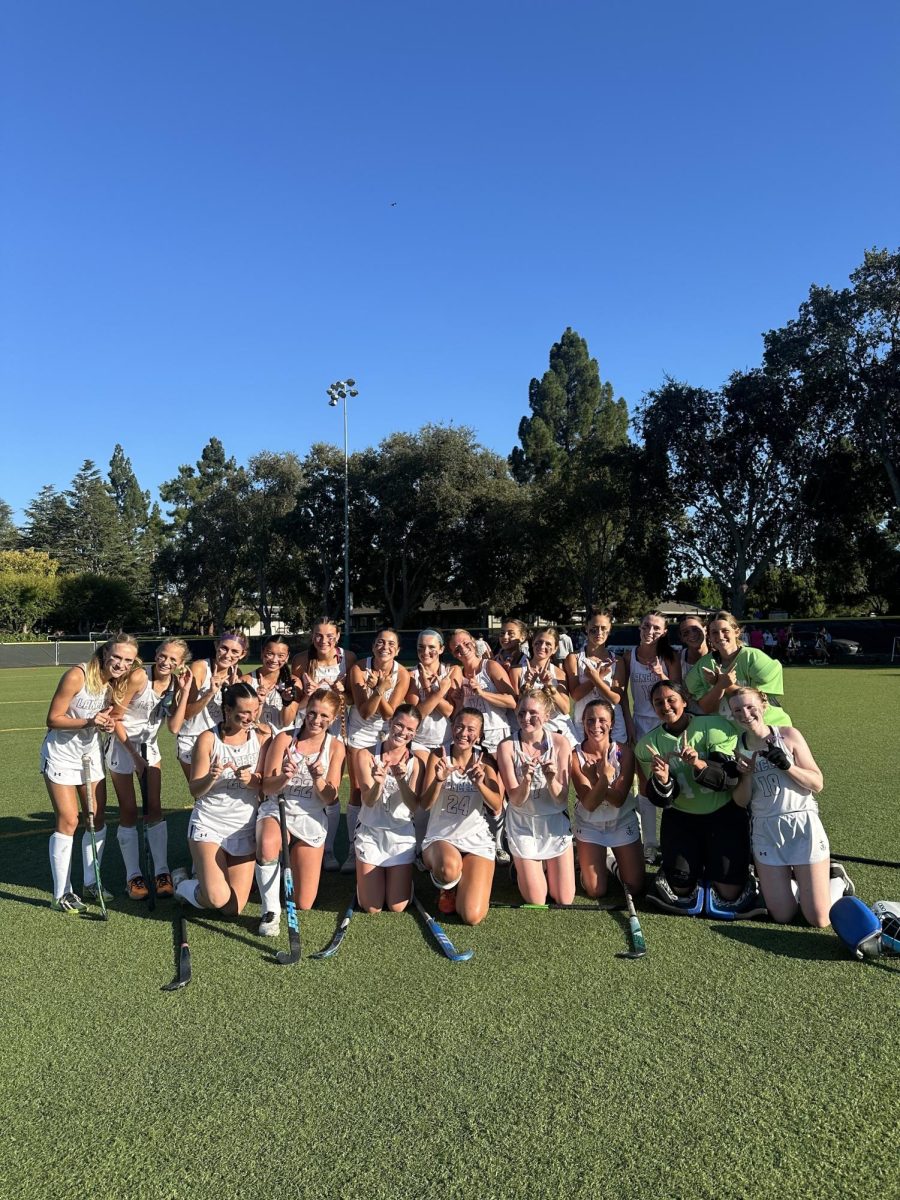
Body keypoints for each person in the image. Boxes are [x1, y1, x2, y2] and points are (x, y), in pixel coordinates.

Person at [635, 681, 760, 917]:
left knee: (729, 893)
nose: (666, 706)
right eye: (658, 702)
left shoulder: (714, 727)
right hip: (682, 817)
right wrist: (661, 780)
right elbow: (661, 800)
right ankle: (685, 864)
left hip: (723, 813)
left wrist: (698, 764)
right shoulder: (647, 745)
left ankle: (723, 864)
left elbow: (730, 780)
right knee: (680, 888)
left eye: (671, 699)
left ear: (685, 701)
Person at [729, 688, 853, 925]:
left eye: (750, 707)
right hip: (766, 829)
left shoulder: (788, 736)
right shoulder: (738, 748)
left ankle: (836, 881)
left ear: (763, 706)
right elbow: (740, 801)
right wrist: (745, 776)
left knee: (819, 919)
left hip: (802, 824)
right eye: (737, 710)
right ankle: (800, 886)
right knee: (783, 916)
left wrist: (787, 766)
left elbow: (817, 783)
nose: (745, 714)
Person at [40, 635, 139, 911]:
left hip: (91, 755)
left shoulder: (116, 684)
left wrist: (105, 725)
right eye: (117, 657)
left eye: (128, 660)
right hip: (61, 755)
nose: (121, 664)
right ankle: (61, 894)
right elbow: (53, 719)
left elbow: (108, 719)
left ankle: (90, 883)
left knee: (95, 819)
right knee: (69, 820)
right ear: (105, 652)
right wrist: (89, 721)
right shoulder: (77, 675)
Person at [174, 682, 270, 916]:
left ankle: (204, 879)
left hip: (244, 825)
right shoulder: (208, 739)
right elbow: (195, 790)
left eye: (254, 710)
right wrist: (211, 776)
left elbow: (266, 784)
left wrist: (252, 780)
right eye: (244, 712)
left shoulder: (262, 735)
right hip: (210, 822)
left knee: (232, 909)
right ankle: (183, 886)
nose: (250, 717)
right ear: (227, 710)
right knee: (217, 899)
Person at [107, 638, 192, 900]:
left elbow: (174, 727)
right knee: (129, 810)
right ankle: (133, 876)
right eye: (164, 656)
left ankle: (161, 872)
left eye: (173, 660)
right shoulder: (138, 677)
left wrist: (185, 691)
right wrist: (134, 756)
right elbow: (115, 718)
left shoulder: (175, 684)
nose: (167, 662)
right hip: (123, 746)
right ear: (156, 653)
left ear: (181, 664)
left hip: (149, 748)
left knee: (154, 808)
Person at [255, 689, 345, 934]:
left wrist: (318, 779)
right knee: (268, 842)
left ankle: (280, 868)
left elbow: (330, 797)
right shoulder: (285, 739)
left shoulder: (336, 747)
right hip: (279, 808)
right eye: (312, 713)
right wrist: (284, 775)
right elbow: (267, 786)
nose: (316, 720)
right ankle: (270, 910)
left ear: (334, 718)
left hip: (311, 817)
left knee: (304, 902)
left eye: (324, 716)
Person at [420, 708, 502, 923]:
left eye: (471, 729)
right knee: (448, 869)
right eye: (459, 726)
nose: (463, 733)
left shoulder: (485, 761)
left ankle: (462, 884)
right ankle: (447, 886)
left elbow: (496, 805)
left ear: (480, 734)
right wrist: (439, 780)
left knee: (471, 916)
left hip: (476, 839)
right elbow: (425, 804)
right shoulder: (439, 755)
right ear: (452, 727)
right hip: (441, 837)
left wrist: (480, 784)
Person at [496, 689, 575, 907]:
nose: (526, 718)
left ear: (547, 716)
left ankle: (543, 865)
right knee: (537, 900)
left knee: (564, 899)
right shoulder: (506, 747)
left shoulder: (560, 743)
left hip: (553, 821)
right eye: (521, 713)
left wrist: (551, 779)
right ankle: (522, 864)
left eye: (533, 713)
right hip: (522, 823)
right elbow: (515, 799)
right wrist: (526, 781)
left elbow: (561, 799)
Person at [290, 618, 356, 870]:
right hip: (308, 728)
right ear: (312, 636)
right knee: (304, 784)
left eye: (329, 635)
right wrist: (308, 692)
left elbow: (352, 698)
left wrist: (340, 693)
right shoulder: (301, 660)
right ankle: (311, 844)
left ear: (337, 636)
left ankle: (328, 849)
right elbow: (297, 700)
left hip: (336, 732)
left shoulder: (347, 658)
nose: (324, 640)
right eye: (318, 635)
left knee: (330, 788)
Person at [344, 629, 411, 874]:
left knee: (387, 786)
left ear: (398, 649)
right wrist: (379, 690)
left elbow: (390, 714)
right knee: (358, 790)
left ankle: (388, 839)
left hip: (388, 734)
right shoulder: (359, 669)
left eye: (391, 643)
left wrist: (379, 689)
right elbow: (364, 712)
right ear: (373, 646)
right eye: (380, 642)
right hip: (360, 734)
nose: (385, 646)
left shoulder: (402, 673)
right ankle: (353, 849)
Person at [447, 627, 517, 862]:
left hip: (498, 737)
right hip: (473, 741)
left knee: (500, 792)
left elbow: (512, 700)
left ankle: (502, 843)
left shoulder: (490, 667)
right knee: (481, 791)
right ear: (453, 652)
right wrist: (457, 702)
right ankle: (487, 839)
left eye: (466, 643)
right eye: (457, 647)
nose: (463, 649)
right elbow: (458, 713)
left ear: (474, 643)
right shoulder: (457, 672)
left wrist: (483, 692)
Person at [620, 611, 681, 864]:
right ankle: (650, 844)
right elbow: (622, 694)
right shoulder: (628, 656)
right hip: (642, 725)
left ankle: (675, 840)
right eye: (646, 625)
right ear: (640, 627)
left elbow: (679, 692)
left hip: (668, 725)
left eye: (656, 627)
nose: (650, 630)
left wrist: (661, 675)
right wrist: (630, 724)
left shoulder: (670, 657)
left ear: (664, 631)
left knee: (675, 780)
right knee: (645, 784)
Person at [354, 704, 424, 913]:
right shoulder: (365, 755)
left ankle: (402, 882)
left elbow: (413, 805)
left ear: (415, 733)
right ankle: (364, 881)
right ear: (390, 722)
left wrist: (402, 780)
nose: (403, 732)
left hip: (400, 834)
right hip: (371, 832)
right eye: (399, 725)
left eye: (410, 729)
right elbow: (368, 800)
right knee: (371, 907)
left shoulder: (416, 762)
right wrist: (379, 782)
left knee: (397, 906)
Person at [571, 699, 643, 899]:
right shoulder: (575, 756)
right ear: (583, 722)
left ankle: (610, 862)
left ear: (611, 723)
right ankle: (583, 863)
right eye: (590, 720)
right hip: (590, 823)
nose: (596, 726)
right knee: (596, 891)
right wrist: (602, 778)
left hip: (621, 820)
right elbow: (590, 804)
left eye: (602, 720)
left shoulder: (624, 753)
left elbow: (619, 800)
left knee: (634, 887)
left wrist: (596, 778)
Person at [685, 611, 791, 727]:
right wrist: (719, 687)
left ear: (736, 632)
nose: (720, 636)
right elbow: (707, 708)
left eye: (725, 631)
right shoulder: (703, 665)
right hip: (731, 733)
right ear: (709, 636)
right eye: (714, 632)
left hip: (767, 727)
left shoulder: (753, 658)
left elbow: (760, 700)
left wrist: (723, 684)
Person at [406, 629, 455, 862]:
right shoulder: (410, 675)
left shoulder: (452, 672)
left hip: (447, 742)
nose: (426, 651)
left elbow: (452, 712)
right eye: (421, 647)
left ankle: (441, 841)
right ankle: (418, 846)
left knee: (444, 793)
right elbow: (419, 714)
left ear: (441, 649)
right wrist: (433, 690)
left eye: (431, 647)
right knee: (421, 790)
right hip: (419, 742)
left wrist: (434, 691)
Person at [176, 631, 249, 782]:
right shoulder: (200, 667)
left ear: (242, 654)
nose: (227, 655)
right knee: (200, 791)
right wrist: (210, 692)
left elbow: (232, 716)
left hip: (219, 738)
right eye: (224, 648)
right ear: (216, 646)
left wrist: (234, 694)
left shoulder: (236, 673)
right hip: (192, 737)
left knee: (218, 791)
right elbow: (187, 713)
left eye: (235, 651)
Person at [565, 610, 626, 744]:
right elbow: (575, 695)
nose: (599, 633)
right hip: (583, 724)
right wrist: (596, 678)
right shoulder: (574, 658)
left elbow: (615, 698)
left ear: (610, 629)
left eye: (604, 629)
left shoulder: (618, 661)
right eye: (594, 629)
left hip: (613, 725)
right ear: (586, 627)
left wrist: (595, 679)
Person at [510, 626, 576, 745]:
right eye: (538, 642)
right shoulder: (517, 671)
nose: (542, 647)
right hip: (530, 732)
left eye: (548, 644)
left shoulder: (559, 673)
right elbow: (515, 709)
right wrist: (527, 685)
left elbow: (565, 709)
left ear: (555, 649)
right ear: (532, 644)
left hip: (558, 730)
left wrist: (549, 686)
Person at [248, 635, 299, 732]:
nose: (274, 660)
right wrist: (259, 702)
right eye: (270, 654)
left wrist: (286, 702)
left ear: (287, 657)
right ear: (262, 653)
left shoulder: (293, 683)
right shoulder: (247, 681)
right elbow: (247, 720)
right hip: (257, 739)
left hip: (283, 741)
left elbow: (286, 722)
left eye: (281, 656)